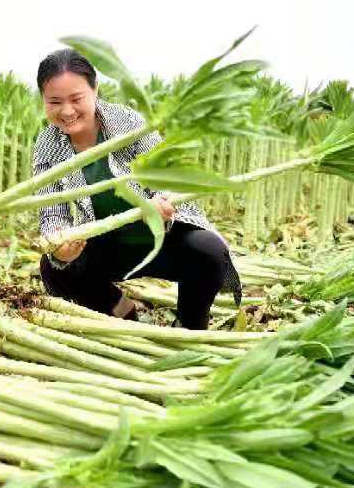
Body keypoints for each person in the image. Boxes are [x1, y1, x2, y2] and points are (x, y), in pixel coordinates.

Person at [33, 49, 241, 329]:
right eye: (55, 102)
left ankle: (191, 324)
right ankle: (121, 308)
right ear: (44, 101)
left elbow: (166, 177)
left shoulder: (128, 123)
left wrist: (159, 202)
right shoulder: (48, 145)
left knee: (209, 250)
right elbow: (52, 212)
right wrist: (59, 244)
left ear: (95, 90)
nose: (67, 111)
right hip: (107, 248)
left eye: (77, 99)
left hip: (158, 239)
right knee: (53, 268)